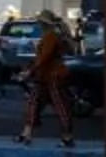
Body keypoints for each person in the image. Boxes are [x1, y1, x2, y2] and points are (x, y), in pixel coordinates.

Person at [18, 13, 77, 148]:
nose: (38, 24)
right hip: (45, 76)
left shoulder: (50, 36)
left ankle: (67, 137)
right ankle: (26, 133)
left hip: (52, 76)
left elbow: (44, 57)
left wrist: (30, 71)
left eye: (40, 22)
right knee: (35, 103)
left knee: (58, 106)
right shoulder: (51, 36)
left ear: (44, 24)